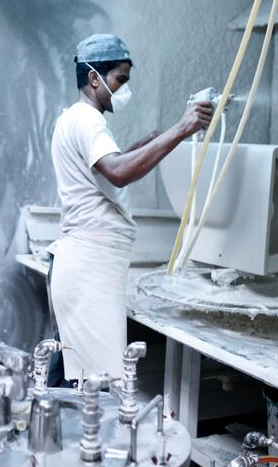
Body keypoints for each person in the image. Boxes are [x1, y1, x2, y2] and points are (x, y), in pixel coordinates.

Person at [46, 34, 213, 384]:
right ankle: (74, 437)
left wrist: (145, 146)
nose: (124, 90)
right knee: (91, 382)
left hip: (82, 264)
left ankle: (50, 435)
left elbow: (109, 169)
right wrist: (182, 129)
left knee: (74, 373)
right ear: (94, 78)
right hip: (88, 266)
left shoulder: (71, 119)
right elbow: (119, 172)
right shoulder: (88, 121)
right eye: (119, 80)